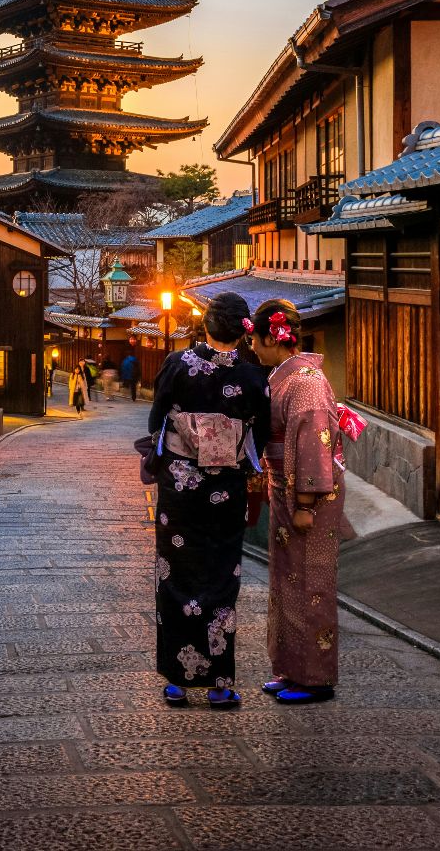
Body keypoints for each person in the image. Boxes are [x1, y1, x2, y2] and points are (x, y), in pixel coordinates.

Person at [147, 292, 269, 709]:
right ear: (243, 330)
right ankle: (220, 683)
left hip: (180, 488)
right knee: (220, 576)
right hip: (226, 490)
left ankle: (178, 682)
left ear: (206, 325)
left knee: (175, 573)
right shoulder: (254, 377)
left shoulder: (178, 364)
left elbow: (156, 418)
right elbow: (261, 435)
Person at [247, 299, 343, 705]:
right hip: (286, 489)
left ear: (274, 336)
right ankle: (290, 668)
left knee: (311, 582)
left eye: (255, 340)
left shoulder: (304, 383)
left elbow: (313, 445)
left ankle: (316, 678)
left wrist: (305, 502)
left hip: (308, 497)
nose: (251, 347)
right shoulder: (285, 377)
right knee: (287, 579)